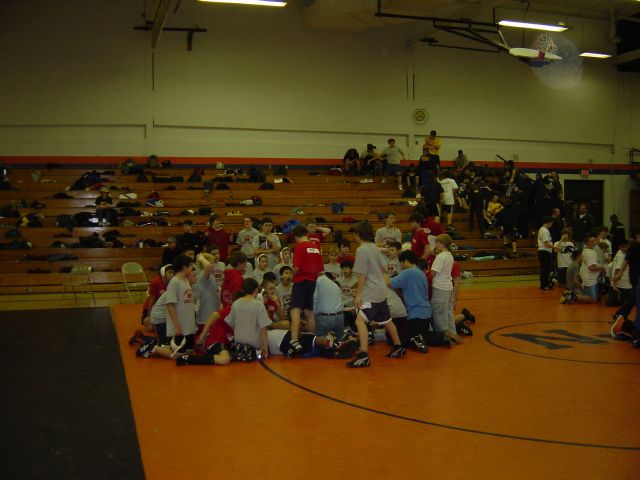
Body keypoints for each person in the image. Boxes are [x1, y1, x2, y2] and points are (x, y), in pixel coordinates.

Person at [346, 221, 405, 368]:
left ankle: (363, 355)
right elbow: (384, 268)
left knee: (359, 321)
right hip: (381, 291)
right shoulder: (373, 247)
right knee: (386, 320)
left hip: (371, 293)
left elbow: (362, 275)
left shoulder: (361, 250)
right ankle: (398, 347)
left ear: (358, 234)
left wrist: (358, 295)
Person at [136, 254, 198, 359]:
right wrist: (177, 326)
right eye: (190, 265)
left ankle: (157, 345)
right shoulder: (174, 282)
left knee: (189, 352)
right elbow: (170, 305)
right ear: (184, 267)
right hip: (179, 325)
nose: (192, 268)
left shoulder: (185, 281)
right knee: (177, 355)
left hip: (188, 326)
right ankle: (152, 347)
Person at [289, 224, 324, 354]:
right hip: (312, 281)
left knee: (295, 310)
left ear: (296, 236)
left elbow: (296, 268)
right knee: (309, 312)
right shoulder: (315, 247)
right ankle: (311, 340)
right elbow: (320, 269)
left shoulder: (299, 246)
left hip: (301, 281)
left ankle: (294, 340)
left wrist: (290, 276)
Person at [387, 250, 430, 352]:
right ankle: (441, 336)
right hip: (425, 313)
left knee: (395, 339)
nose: (400, 265)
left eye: (401, 263)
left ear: (406, 261)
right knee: (421, 335)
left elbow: (390, 283)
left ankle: (440, 336)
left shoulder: (408, 272)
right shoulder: (420, 272)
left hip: (416, 315)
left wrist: (382, 273)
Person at [225, 278, 272, 357]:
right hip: (254, 348)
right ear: (256, 290)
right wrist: (265, 346)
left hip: (239, 347)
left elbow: (230, 323)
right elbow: (263, 327)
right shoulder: (259, 305)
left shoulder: (236, 303)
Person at [611, 229, 640, 343]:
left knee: (633, 299)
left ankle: (621, 313)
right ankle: (622, 314)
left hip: (636, 280)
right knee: (634, 299)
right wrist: (618, 275)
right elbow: (625, 262)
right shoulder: (633, 247)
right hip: (636, 279)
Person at [429, 234, 456, 340]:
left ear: (441, 244)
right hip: (448, 287)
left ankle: (443, 338)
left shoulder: (440, 257)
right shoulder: (450, 255)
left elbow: (433, 273)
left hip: (440, 287)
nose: (436, 245)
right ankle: (452, 333)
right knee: (448, 312)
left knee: (439, 313)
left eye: (437, 243)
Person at [141, 264, 174, 332]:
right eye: (170, 272)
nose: (172, 275)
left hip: (163, 308)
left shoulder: (174, 282)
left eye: (173, 273)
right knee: (149, 328)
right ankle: (147, 319)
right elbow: (152, 300)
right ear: (163, 274)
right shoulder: (156, 282)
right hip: (151, 308)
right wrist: (149, 316)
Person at [194, 253, 220, 336]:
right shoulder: (203, 276)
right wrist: (201, 258)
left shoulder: (210, 276)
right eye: (211, 262)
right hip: (205, 317)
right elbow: (208, 266)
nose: (213, 265)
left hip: (212, 314)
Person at [313, 273, 345, 341]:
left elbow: (315, 299)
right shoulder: (334, 284)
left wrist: (313, 314)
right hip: (340, 316)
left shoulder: (318, 281)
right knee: (339, 342)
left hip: (326, 318)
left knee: (320, 341)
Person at [579, 233, 604, 303]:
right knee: (594, 299)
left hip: (587, 277)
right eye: (591, 241)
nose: (594, 243)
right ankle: (574, 296)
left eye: (594, 241)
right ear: (587, 243)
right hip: (591, 279)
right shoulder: (590, 253)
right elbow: (591, 268)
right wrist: (602, 267)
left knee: (589, 295)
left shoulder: (585, 250)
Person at [338, 260, 358, 334]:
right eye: (343, 268)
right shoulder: (338, 280)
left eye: (346, 268)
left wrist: (354, 307)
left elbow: (357, 294)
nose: (344, 270)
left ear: (351, 269)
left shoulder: (356, 280)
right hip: (342, 305)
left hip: (353, 305)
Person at [537, 216, 555, 290]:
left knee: (546, 268)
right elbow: (546, 244)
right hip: (544, 251)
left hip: (545, 251)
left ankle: (545, 283)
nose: (551, 224)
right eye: (551, 223)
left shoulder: (543, 229)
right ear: (548, 222)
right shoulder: (544, 231)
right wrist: (556, 248)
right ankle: (544, 284)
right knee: (545, 269)